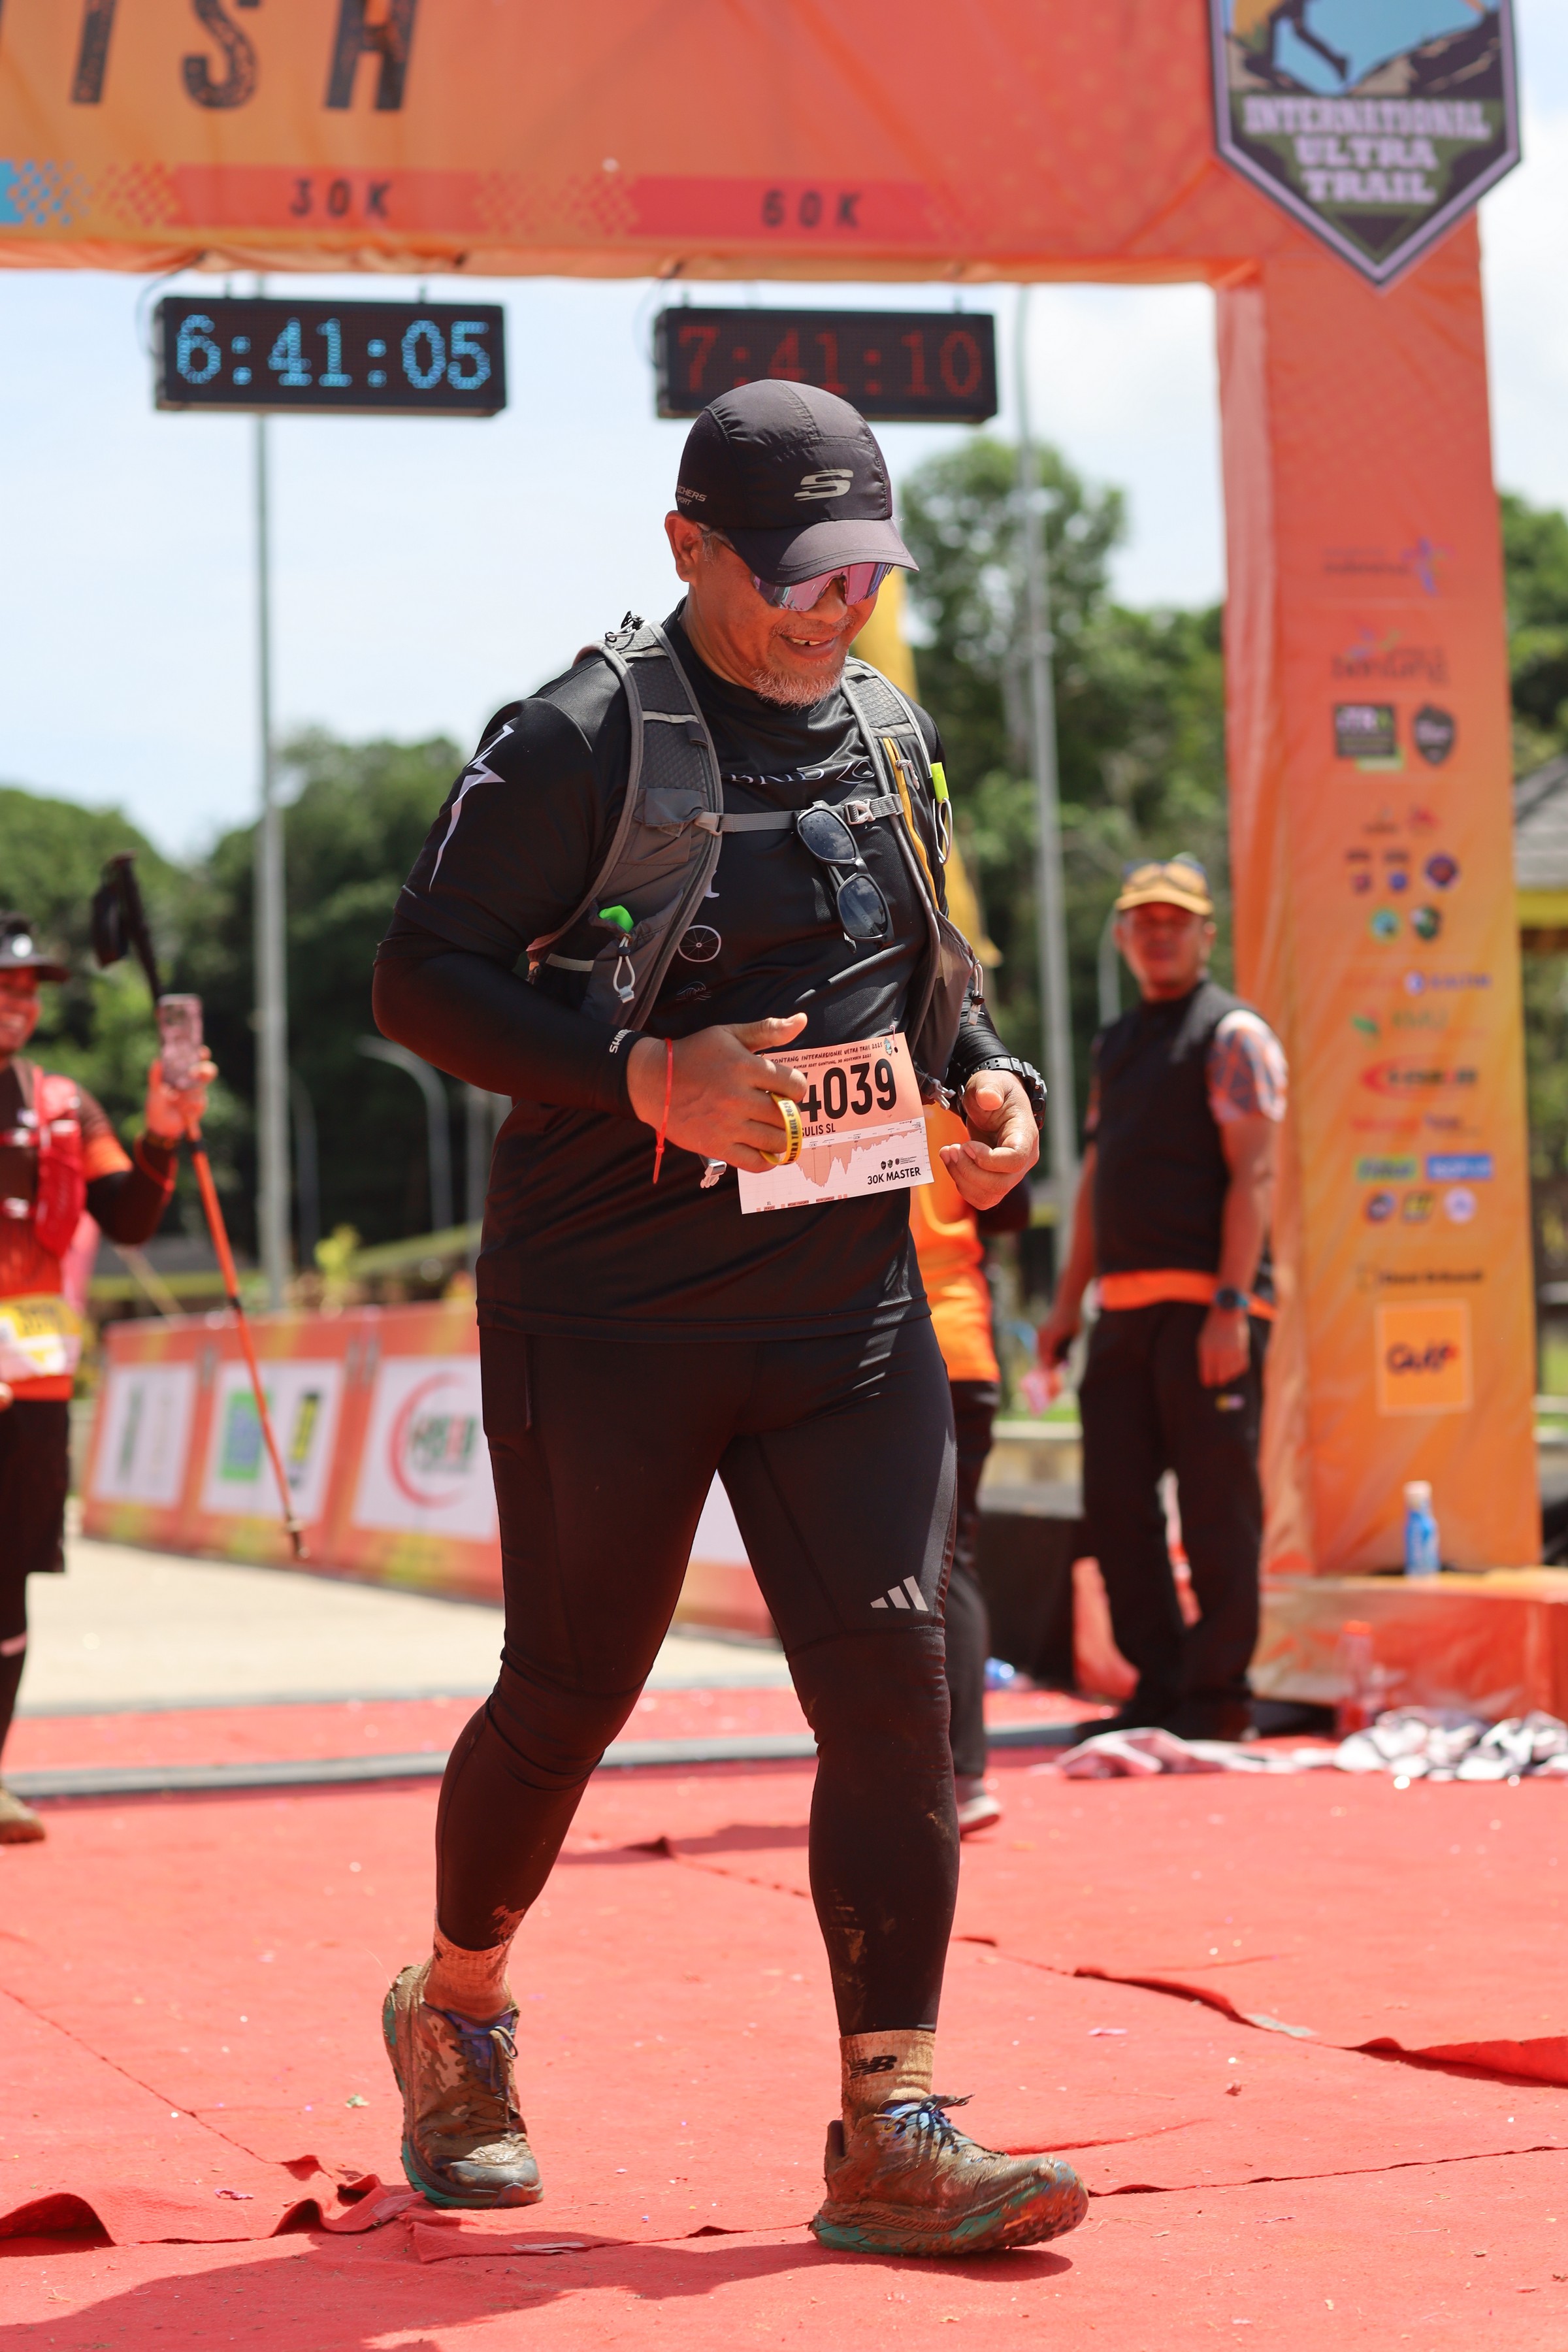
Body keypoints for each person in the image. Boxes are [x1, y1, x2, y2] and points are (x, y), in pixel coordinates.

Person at [372, 380, 1085, 2257]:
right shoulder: (578, 736)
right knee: (569, 1696)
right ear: (688, 544)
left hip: (844, 1310)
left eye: (861, 573)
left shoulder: (891, 731)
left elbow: (930, 983)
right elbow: (417, 981)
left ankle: (890, 2126)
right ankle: (455, 2010)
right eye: (794, 575)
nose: (831, 608)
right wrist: (639, 1075)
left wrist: (996, 1086)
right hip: (605, 1313)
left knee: (895, 1687)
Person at [1036, 857, 1286, 1742]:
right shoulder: (1115, 1044)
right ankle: (1158, 1686)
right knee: (1115, 1508)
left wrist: (1231, 1307)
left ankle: (1219, 1698)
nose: (1160, 934)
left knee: (1218, 1512)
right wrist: (1064, 1310)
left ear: (1206, 935)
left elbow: (1255, 1177)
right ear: (1122, 937)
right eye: (1144, 921)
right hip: (1122, 1316)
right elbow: (1097, 1183)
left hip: (1209, 1312)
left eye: (1176, 921)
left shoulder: (1235, 1035)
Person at [0, 913, 209, 1841]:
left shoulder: (65, 1102)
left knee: (6, 1584)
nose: (19, 1002)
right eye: (5, 985)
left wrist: (161, 1135)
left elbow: (125, 1218)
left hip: (34, 1385)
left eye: (29, 988)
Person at [909, 1091, 1029, 1838]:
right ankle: (958, 1771)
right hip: (962, 1340)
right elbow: (1011, 1209)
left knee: (927, 1570)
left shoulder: (824, 1068)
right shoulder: (968, 1090)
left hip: (889, 1343)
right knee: (954, 1563)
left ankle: (953, 1771)